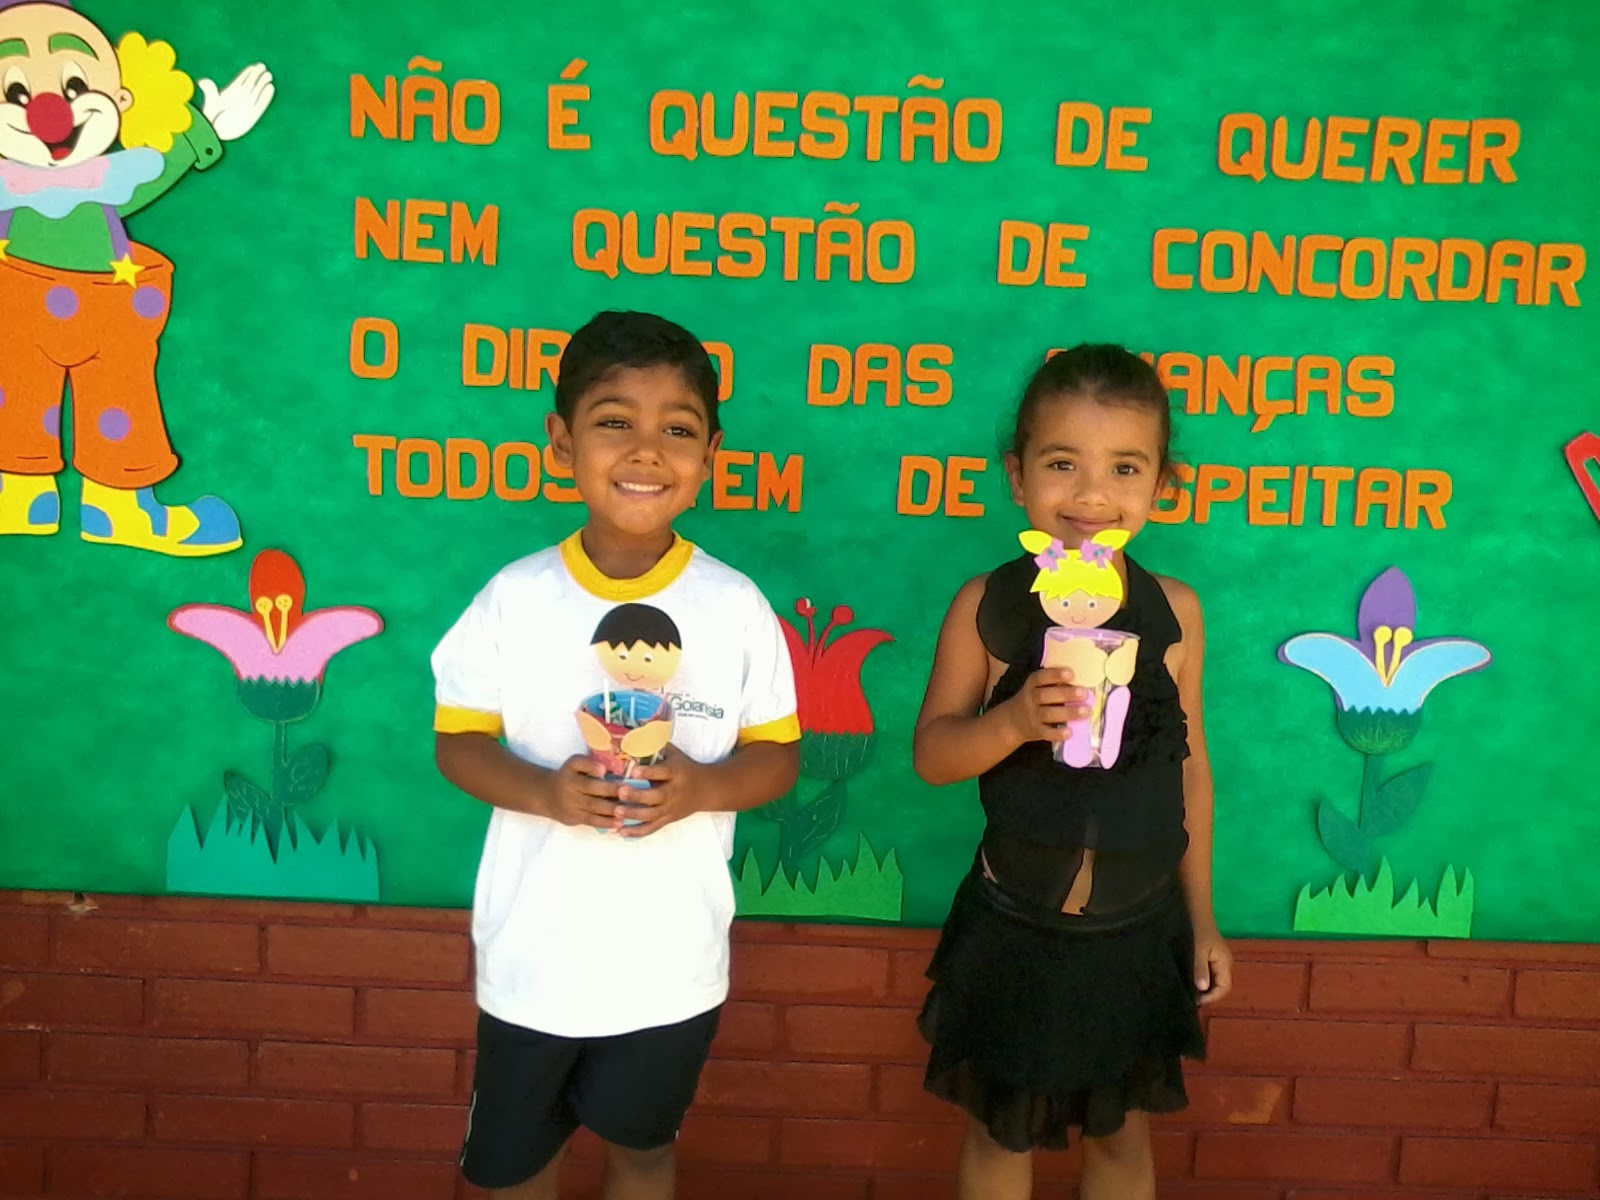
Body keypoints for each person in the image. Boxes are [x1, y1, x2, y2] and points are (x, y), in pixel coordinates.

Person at [430, 310, 801, 1200]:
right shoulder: (517, 598)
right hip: (533, 962)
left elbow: (777, 760)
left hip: (670, 967)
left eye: (677, 429)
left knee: (642, 1153)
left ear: (710, 455)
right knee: (516, 1170)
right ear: (561, 442)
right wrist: (546, 793)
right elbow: (458, 744)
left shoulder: (735, 607)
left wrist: (701, 787)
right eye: (614, 422)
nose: (646, 451)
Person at [911, 344, 1233, 1200]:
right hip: (1015, 928)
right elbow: (933, 755)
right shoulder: (986, 605)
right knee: (1001, 1136)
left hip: (1137, 932)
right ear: (1018, 477)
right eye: (1063, 464)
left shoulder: (1177, 612)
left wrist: (1202, 920)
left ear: (1161, 486)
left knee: (1121, 1141)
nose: (1092, 495)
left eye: (1125, 468)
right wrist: (1013, 722)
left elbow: (1190, 772)